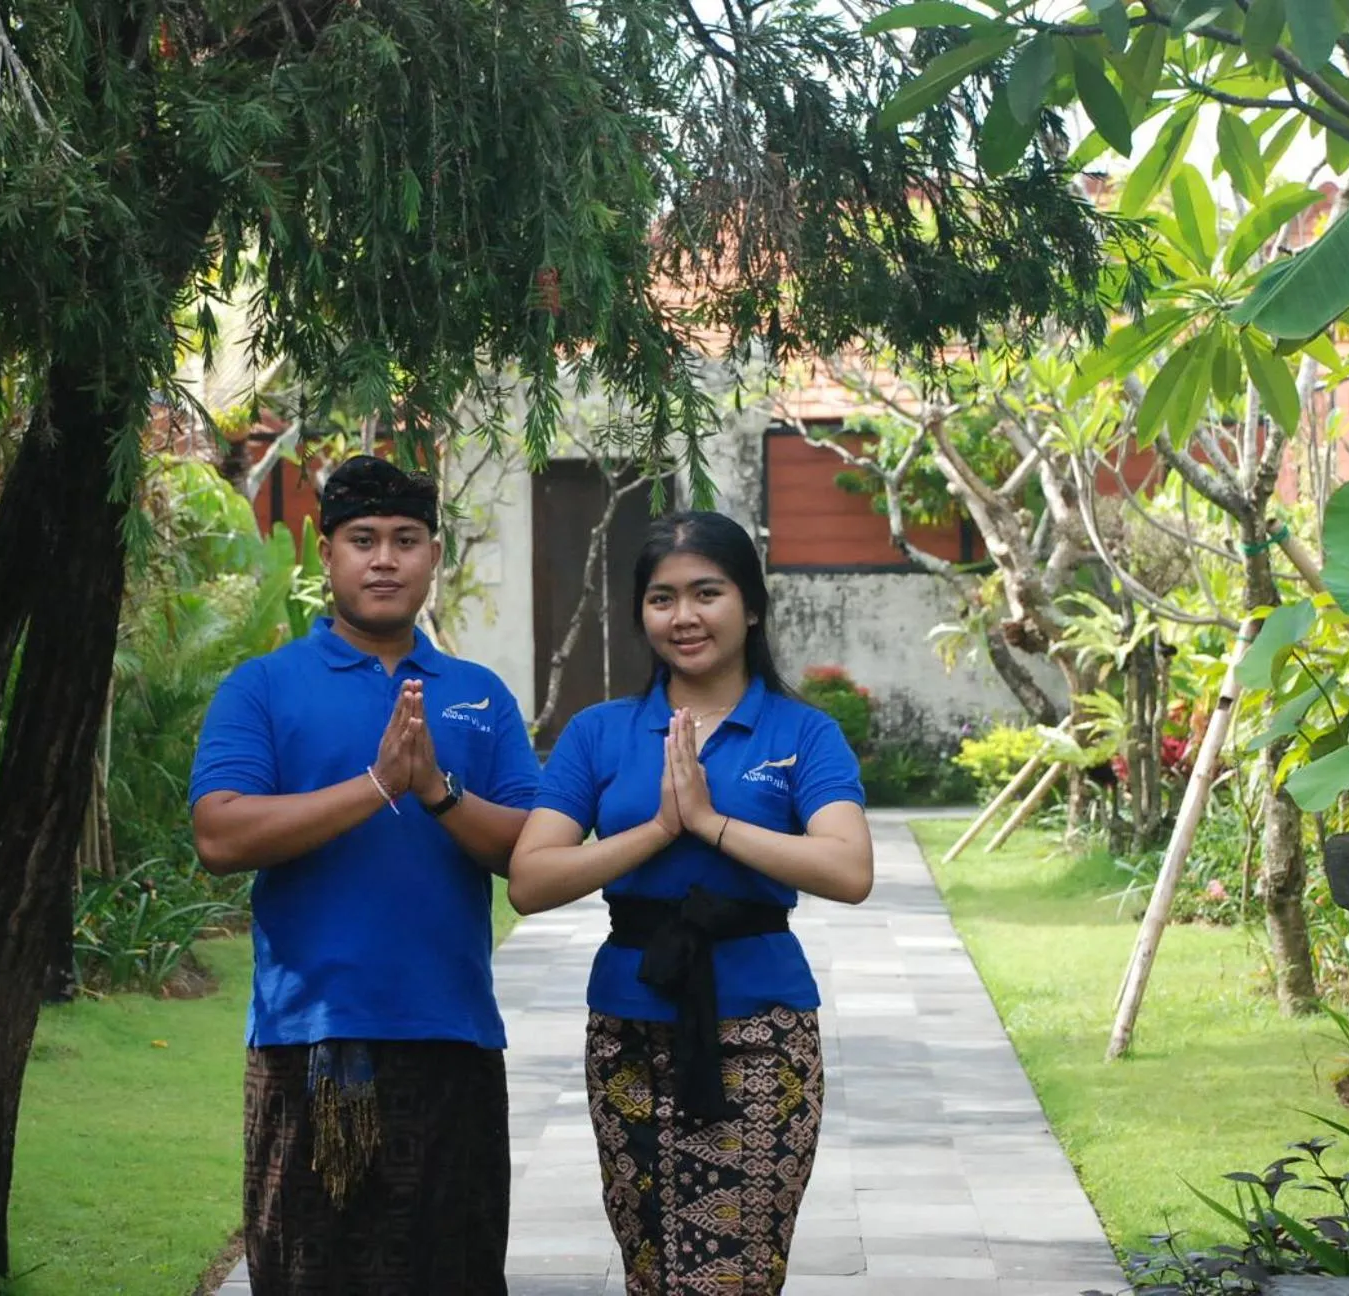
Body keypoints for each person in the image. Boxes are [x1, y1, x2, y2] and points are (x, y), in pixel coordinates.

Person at [189, 454, 538, 1296]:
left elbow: (529, 852)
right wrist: (377, 785)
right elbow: (220, 832)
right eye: (363, 539)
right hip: (311, 1045)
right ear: (327, 553)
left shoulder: (478, 695)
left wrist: (437, 792)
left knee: (453, 1275)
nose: (385, 559)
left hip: (451, 1041)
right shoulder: (264, 686)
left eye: (406, 540)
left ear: (432, 555)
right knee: (310, 1276)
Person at [508, 509, 874, 1294]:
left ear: (751, 605)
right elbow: (532, 879)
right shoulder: (599, 732)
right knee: (654, 1269)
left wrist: (711, 825)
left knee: (734, 1278)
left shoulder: (802, 733)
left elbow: (849, 870)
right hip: (627, 1032)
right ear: (642, 613)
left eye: (707, 592)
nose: (684, 616)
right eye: (662, 598)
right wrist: (659, 829)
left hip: (765, 1035)